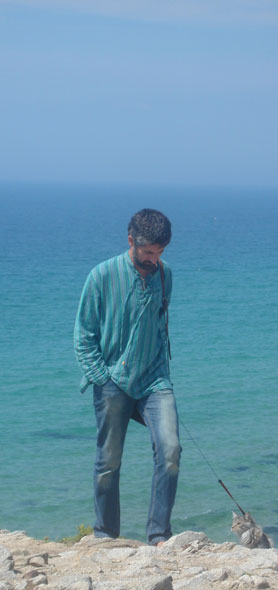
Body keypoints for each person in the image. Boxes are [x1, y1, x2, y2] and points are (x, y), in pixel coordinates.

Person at [74, 208, 181, 545]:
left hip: (154, 380)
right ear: (131, 241)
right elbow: (84, 333)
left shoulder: (166, 275)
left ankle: (159, 536)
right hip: (112, 381)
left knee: (171, 450)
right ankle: (105, 535)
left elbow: (160, 326)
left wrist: (162, 369)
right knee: (108, 462)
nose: (155, 259)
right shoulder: (101, 276)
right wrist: (100, 377)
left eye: (161, 252)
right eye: (149, 251)